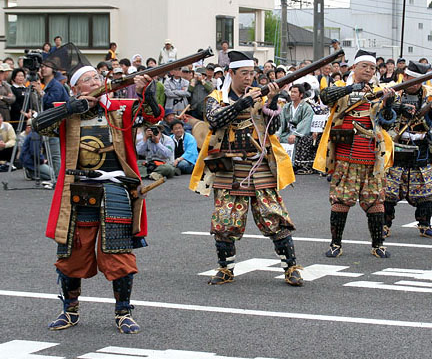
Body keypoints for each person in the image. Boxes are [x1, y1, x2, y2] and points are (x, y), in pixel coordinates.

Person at [32, 45, 164, 333]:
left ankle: (123, 312)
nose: (96, 82)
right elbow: (38, 126)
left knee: (119, 255)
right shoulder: (66, 113)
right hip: (78, 189)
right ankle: (70, 311)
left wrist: (147, 92)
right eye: (88, 80)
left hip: (115, 188)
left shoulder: (120, 109)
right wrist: (72, 107)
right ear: (77, 87)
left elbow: (153, 118)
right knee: (71, 255)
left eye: (97, 77)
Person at [189, 51, 303, 287]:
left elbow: (274, 129)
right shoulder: (216, 97)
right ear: (231, 74)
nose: (249, 78)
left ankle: (291, 267)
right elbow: (214, 120)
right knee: (224, 220)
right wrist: (244, 102)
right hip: (227, 167)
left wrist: (270, 101)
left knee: (274, 216)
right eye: (244, 74)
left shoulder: (260, 97)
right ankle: (225, 268)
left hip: (259, 164)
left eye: (252, 73)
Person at [313, 49, 395, 258]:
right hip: (345, 155)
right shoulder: (341, 88)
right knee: (341, 201)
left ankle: (378, 245)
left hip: (371, 155)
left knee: (376, 201)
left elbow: (387, 122)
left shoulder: (380, 90)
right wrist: (354, 87)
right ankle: (335, 244)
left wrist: (389, 103)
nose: (368, 70)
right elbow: (325, 97)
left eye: (372, 68)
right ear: (353, 68)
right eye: (364, 66)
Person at [383, 61, 432, 239]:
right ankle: (384, 225)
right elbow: (383, 117)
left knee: (426, 193)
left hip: (421, 147)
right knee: (389, 193)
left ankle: (425, 225)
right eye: (412, 79)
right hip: (397, 146)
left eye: (420, 80)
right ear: (405, 77)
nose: (416, 83)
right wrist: (395, 107)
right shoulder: (394, 93)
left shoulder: (430, 95)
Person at [278, 84, 315, 174]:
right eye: (291, 92)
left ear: (301, 95)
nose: (292, 94)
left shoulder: (307, 108)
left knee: (293, 140)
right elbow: (281, 122)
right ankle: (280, 164)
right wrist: (278, 134)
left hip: (300, 133)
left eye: (295, 92)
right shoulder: (286, 107)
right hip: (287, 132)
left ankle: (292, 164)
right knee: (278, 139)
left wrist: (295, 134)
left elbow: (306, 122)